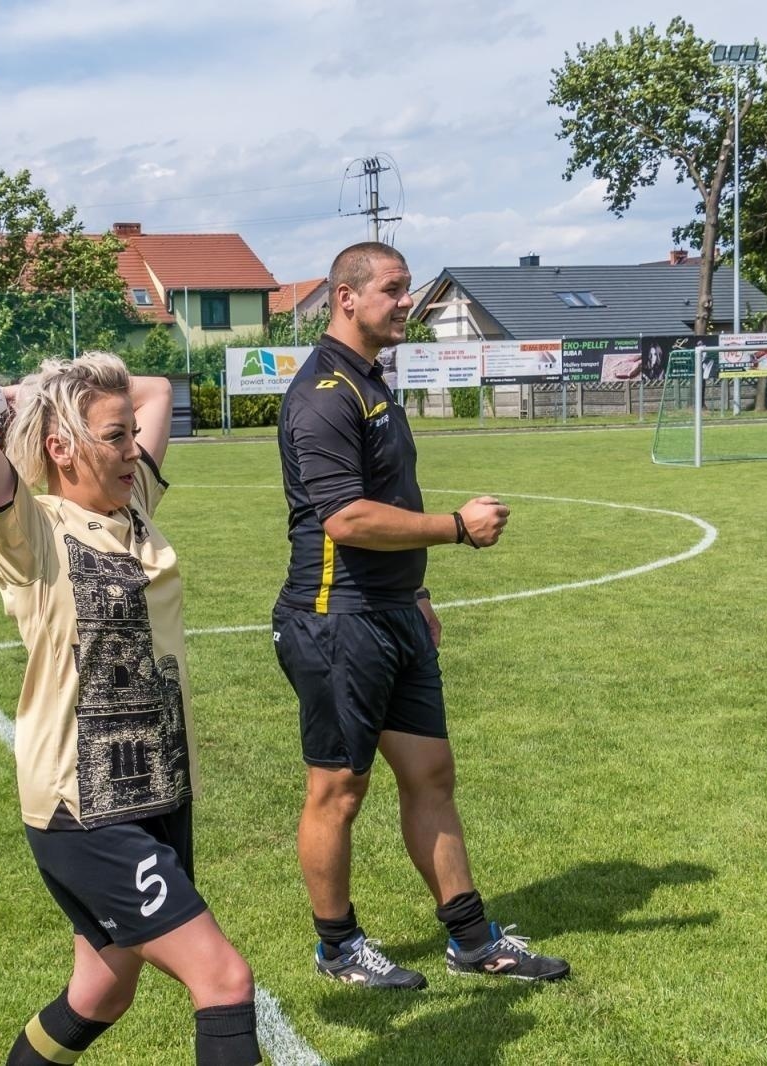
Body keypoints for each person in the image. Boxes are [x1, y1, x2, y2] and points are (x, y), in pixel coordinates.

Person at [0, 354, 262, 1066]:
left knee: (100, 991)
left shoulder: (135, 504)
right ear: (61, 448)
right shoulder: (31, 530)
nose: (132, 451)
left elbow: (153, 390)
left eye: (130, 437)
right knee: (222, 977)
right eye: (113, 438)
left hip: (158, 791)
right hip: (83, 807)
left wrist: (43, 391)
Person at [271, 241, 569, 989]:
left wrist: (419, 592)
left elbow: (391, 498)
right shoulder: (324, 394)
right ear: (346, 296)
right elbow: (345, 518)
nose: (408, 302)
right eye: (395, 289)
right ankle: (338, 947)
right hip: (336, 618)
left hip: (392, 612)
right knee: (338, 790)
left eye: (407, 290)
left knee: (431, 772)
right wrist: (457, 527)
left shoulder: (372, 383)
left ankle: (474, 940)